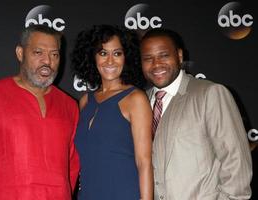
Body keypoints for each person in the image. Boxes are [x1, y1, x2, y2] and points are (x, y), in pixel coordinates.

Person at [0, 25, 80, 200]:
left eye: (54, 54)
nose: (47, 62)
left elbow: (72, 167)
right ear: (20, 53)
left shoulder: (69, 106)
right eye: (38, 53)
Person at [141, 28, 252, 200]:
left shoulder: (210, 94)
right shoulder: (140, 102)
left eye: (164, 55)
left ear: (179, 56)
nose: (156, 64)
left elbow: (235, 160)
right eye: (148, 58)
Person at [72, 24, 153, 200]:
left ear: (127, 58)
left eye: (117, 53)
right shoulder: (85, 101)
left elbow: (144, 162)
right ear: (92, 57)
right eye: (103, 53)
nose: (110, 60)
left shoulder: (135, 99)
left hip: (123, 193)